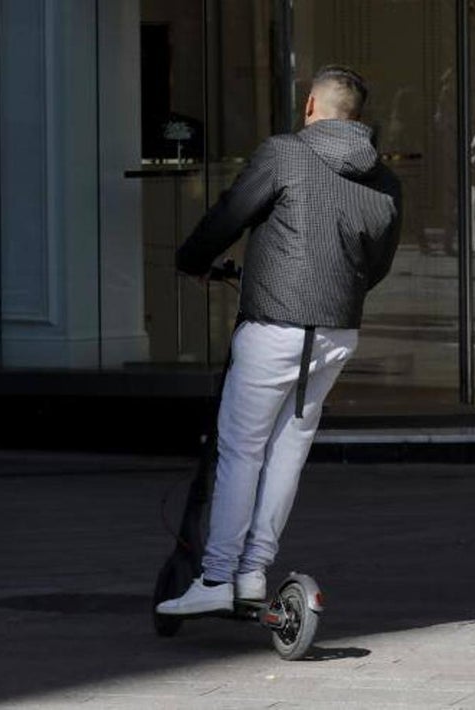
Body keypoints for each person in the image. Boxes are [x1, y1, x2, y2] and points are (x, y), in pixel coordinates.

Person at [156, 66, 402, 615]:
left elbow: (231, 214)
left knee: (241, 450)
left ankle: (218, 576)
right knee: (288, 450)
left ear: (311, 106)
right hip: (336, 332)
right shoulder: (384, 180)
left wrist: (191, 261)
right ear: (356, 117)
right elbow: (377, 265)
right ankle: (253, 573)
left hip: (274, 324)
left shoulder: (286, 153)